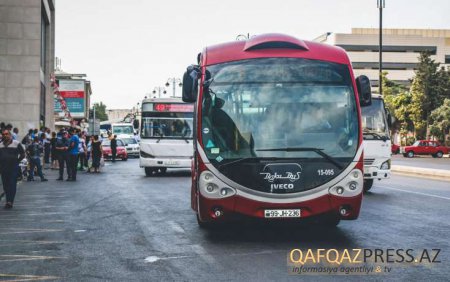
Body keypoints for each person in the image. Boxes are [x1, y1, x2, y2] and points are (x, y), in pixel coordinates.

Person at [0, 129, 26, 209]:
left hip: (13, 167)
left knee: (12, 184)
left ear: (10, 135)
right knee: (5, 185)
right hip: (3, 168)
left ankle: (10, 201)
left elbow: (23, 154)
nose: (5, 135)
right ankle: (8, 200)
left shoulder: (16, 143)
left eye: (7, 134)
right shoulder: (0, 145)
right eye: (3, 134)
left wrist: (17, 161)